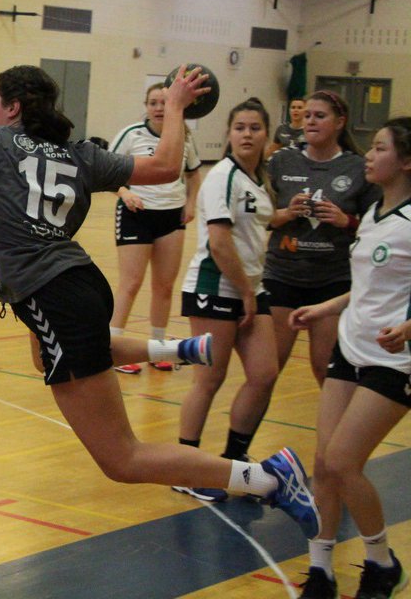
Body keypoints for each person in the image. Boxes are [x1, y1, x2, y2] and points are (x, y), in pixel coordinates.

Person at [0, 65, 319, 540]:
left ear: (11, 108)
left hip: (53, 295)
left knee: (122, 458)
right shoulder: (79, 154)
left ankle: (270, 478)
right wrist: (176, 110)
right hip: (81, 283)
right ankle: (173, 350)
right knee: (42, 356)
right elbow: (165, 168)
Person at [288, 117, 411, 599]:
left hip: (393, 360)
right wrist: (327, 306)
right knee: (323, 461)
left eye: (380, 148)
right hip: (349, 346)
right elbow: (365, 288)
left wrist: (406, 328)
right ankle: (321, 569)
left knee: (343, 461)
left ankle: (381, 560)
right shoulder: (376, 213)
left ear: (405, 161)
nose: (369, 154)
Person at [172, 98, 279, 502]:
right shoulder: (223, 177)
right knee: (209, 379)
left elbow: (257, 223)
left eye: (255, 127)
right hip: (215, 288)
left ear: (267, 135)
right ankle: (185, 467)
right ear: (229, 134)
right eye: (240, 127)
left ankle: (234, 461)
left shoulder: (257, 179)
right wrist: (247, 292)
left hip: (251, 288)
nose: (247, 134)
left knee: (265, 373)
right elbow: (219, 242)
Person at [265, 91, 378, 387]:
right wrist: (287, 213)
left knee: (324, 368)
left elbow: (376, 227)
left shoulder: (357, 167)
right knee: (266, 370)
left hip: (332, 279)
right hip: (282, 274)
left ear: (340, 122)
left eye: (320, 116)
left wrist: (346, 221)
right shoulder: (282, 161)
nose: (310, 121)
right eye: (307, 116)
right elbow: (261, 220)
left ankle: (335, 433)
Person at [108, 83, 202, 374]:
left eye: (164, 102)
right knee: (131, 284)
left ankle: (158, 348)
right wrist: (125, 193)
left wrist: (190, 203)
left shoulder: (184, 136)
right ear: (146, 106)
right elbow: (106, 172)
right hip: (137, 213)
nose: (159, 108)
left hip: (171, 217)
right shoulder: (131, 134)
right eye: (153, 103)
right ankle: (111, 348)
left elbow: (194, 173)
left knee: (163, 286)